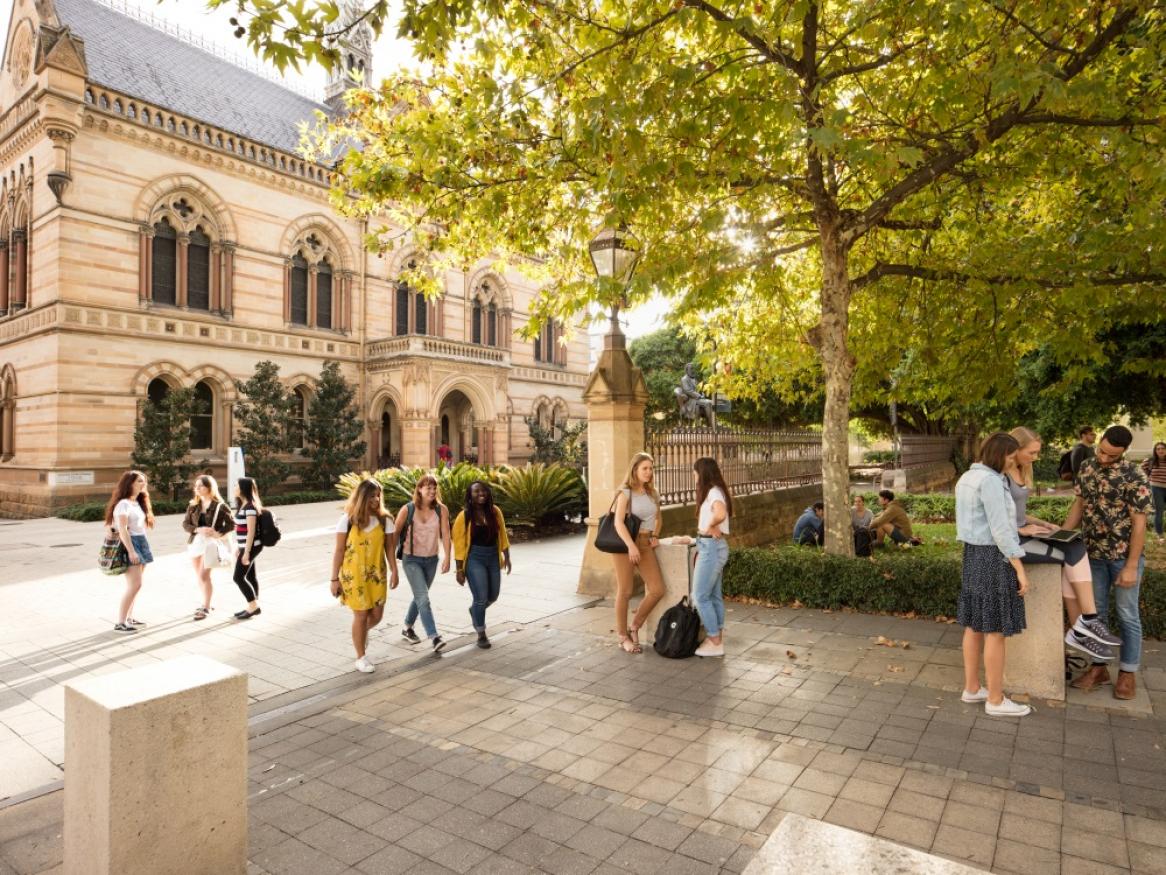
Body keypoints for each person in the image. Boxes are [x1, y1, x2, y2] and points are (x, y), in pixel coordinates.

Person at [1005, 427, 1120, 661]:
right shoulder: (998, 474)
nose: (1036, 458)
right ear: (1015, 449)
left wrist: (1046, 524)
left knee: (1075, 542)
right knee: (1070, 555)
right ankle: (1085, 624)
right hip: (1009, 540)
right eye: (1032, 453)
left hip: (1023, 532)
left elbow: (1019, 514)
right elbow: (995, 518)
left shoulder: (1022, 470)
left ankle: (1084, 624)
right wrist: (1019, 529)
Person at [1065, 425, 1152, 700]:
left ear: (1123, 453)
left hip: (1124, 556)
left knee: (1128, 615)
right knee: (1095, 615)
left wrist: (1131, 565)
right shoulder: (1087, 466)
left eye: (1111, 456)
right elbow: (1078, 506)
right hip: (1092, 555)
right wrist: (1063, 538)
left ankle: (1127, 673)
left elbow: (1140, 525)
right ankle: (1099, 668)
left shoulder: (1134, 474)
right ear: (1099, 441)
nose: (1103, 458)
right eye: (1102, 451)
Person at [955, 432, 1032, 717]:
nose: (1013, 462)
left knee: (974, 625)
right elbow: (1001, 531)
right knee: (996, 631)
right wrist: (1020, 570)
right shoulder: (990, 481)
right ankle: (996, 700)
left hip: (972, 555)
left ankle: (973, 688)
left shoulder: (967, 477)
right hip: (992, 557)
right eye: (1011, 457)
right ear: (999, 454)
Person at [331, 479, 399, 672]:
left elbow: (389, 548)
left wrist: (395, 570)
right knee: (360, 615)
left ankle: (360, 634)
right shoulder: (348, 520)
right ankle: (361, 657)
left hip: (377, 574)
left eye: (378, 495)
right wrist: (334, 579)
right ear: (362, 496)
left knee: (377, 615)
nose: (376, 499)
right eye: (371, 495)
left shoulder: (386, 520)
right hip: (354, 576)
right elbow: (339, 551)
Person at [610, 452, 666, 654]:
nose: (649, 472)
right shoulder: (625, 493)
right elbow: (617, 522)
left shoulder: (653, 493)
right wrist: (631, 546)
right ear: (635, 470)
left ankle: (634, 626)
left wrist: (656, 534)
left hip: (645, 543)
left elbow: (658, 518)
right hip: (626, 544)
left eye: (651, 468)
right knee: (625, 591)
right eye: (645, 468)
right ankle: (622, 636)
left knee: (657, 589)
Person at [453, 480, 512, 649]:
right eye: (476, 492)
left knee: (493, 596)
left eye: (484, 491)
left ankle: (475, 611)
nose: (481, 494)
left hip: (493, 556)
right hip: (474, 558)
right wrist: (459, 569)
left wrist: (506, 556)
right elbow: (458, 543)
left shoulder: (495, 511)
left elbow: (502, 535)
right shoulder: (464, 516)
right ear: (470, 496)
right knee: (480, 598)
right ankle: (481, 633)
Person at [397, 474, 452, 652]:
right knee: (423, 598)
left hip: (431, 560)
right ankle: (434, 637)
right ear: (419, 489)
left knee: (420, 596)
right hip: (411, 559)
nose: (432, 491)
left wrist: (447, 557)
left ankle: (407, 627)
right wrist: (390, 564)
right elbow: (393, 534)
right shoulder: (408, 509)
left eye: (435, 487)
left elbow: (446, 534)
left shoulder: (441, 510)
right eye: (428, 487)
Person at [691, 457, 733, 658]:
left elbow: (721, 513)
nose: (694, 476)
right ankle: (717, 637)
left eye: (695, 472)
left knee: (699, 596)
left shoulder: (713, 492)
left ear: (702, 473)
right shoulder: (716, 490)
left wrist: (711, 525)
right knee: (713, 595)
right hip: (713, 546)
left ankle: (714, 640)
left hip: (711, 548)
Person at [104, 470, 155, 633]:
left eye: (144, 481)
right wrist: (131, 551)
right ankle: (120, 622)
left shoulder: (137, 502)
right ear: (130, 483)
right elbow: (123, 529)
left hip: (142, 542)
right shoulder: (123, 504)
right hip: (130, 544)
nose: (143, 484)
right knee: (135, 584)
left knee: (136, 586)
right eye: (139, 481)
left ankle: (129, 618)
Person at [182, 474, 235, 621]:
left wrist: (218, 534)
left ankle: (205, 607)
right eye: (196, 486)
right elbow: (185, 524)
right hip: (195, 543)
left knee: (204, 575)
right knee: (199, 576)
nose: (197, 488)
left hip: (210, 544)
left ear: (209, 488)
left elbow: (232, 524)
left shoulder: (220, 506)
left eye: (201, 486)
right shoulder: (193, 505)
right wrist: (197, 529)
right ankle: (206, 602)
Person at [232, 477, 264, 620]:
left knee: (238, 577)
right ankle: (253, 605)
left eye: (236, 486)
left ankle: (253, 606)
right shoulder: (243, 505)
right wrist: (240, 547)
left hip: (251, 547)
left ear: (243, 489)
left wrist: (246, 552)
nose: (234, 488)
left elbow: (251, 532)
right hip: (245, 546)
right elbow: (241, 529)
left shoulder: (250, 507)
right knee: (250, 576)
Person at [1143, 441, 1166, 541]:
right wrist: (1147, 480)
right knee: (1159, 511)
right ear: (1155, 451)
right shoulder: (1150, 461)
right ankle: (1159, 534)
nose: (1160, 450)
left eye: (1163, 448)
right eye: (1158, 449)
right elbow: (1142, 472)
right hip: (1156, 489)